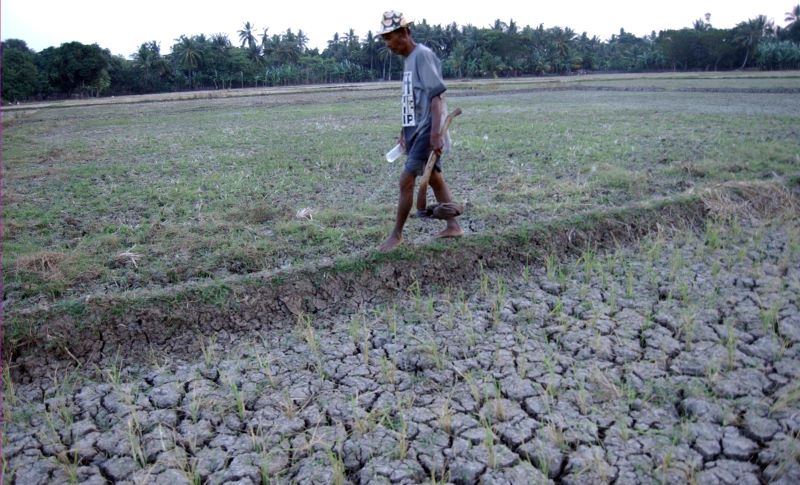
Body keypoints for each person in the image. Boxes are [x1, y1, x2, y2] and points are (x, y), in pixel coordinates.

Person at [378, 10, 463, 252]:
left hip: (427, 131)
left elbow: (436, 97)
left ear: (404, 33)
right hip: (415, 131)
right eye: (384, 39)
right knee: (434, 178)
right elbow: (414, 100)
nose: (387, 45)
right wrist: (404, 130)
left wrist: (435, 134)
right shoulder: (408, 60)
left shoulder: (422, 55)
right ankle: (454, 226)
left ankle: (397, 234)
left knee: (406, 179)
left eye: (389, 38)